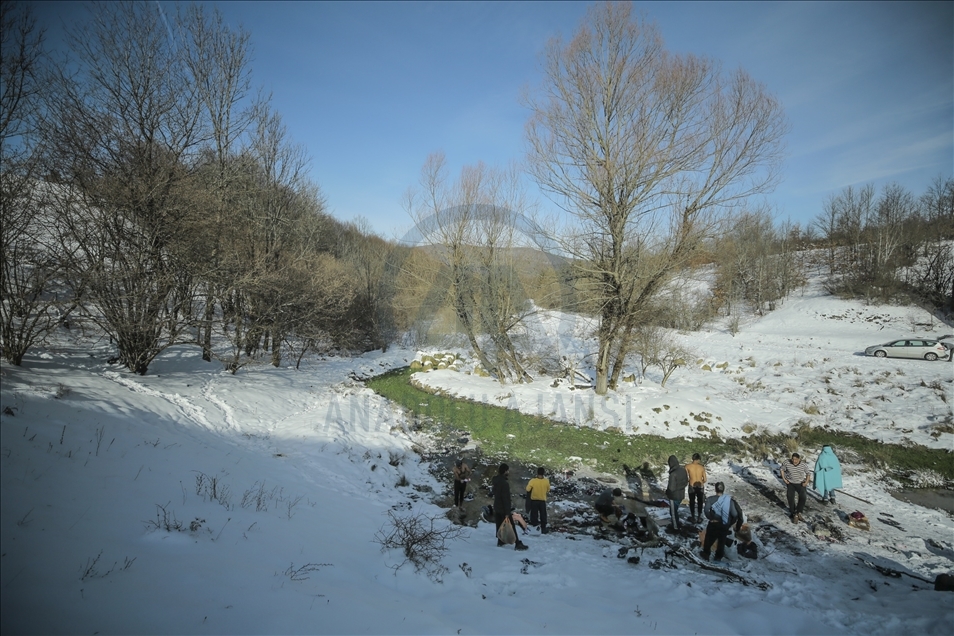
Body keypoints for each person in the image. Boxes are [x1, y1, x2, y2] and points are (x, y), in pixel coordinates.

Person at [701, 482, 744, 562]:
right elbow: (734, 514)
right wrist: (729, 523)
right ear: (723, 489)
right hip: (724, 525)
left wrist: (711, 518)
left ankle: (706, 554)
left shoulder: (710, 499)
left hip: (713, 523)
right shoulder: (729, 500)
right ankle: (718, 557)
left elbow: (706, 510)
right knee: (721, 541)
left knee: (708, 540)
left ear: (715, 489)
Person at [491, 463, 528, 550]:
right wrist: (507, 512)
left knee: (499, 524)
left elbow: (494, 492)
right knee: (511, 525)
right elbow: (506, 499)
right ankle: (517, 543)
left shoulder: (495, 481)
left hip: (497, 506)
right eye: (507, 470)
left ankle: (500, 541)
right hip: (504, 508)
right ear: (505, 471)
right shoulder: (504, 483)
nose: (508, 472)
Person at [780, 452, 811, 523]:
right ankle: (794, 513)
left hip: (800, 483)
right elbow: (782, 469)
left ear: (799, 459)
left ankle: (799, 512)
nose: (794, 461)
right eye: (793, 459)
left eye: (796, 459)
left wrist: (806, 482)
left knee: (803, 497)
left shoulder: (803, 465)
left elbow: (808, 474)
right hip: (790, 483)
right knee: (790, 497)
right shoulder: (787, 462)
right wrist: (784, 479)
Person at [666, 455, 689, 531]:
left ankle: (675, 527)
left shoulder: (673, 474)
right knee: (675, 510)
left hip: (674, 496)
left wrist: (667, 493)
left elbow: (671, 488)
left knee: (672, 512)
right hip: (681, 493)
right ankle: (676, 522)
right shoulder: (683, 470)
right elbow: (686, 482)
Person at [526, 466, 551, 534]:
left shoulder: (533, 481)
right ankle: (543, 528)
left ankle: (535, 527)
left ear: (537, 473)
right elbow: (548, 490)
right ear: (543, 473)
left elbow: (527, 489)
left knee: (534, 515)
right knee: (543, 515)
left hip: (534, 500)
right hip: (542, 500)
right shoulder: (546, 481)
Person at [685, 453, 707, 523]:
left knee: (692, 502)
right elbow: (705, 479)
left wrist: (690, 480)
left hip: (692, 485)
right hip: (700, 486)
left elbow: (685, 477)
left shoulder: (687, 466)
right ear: (698, 459)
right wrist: (702, 482)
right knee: (700, 501)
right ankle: (699, 517)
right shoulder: (702, 467)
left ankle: (693, 517)